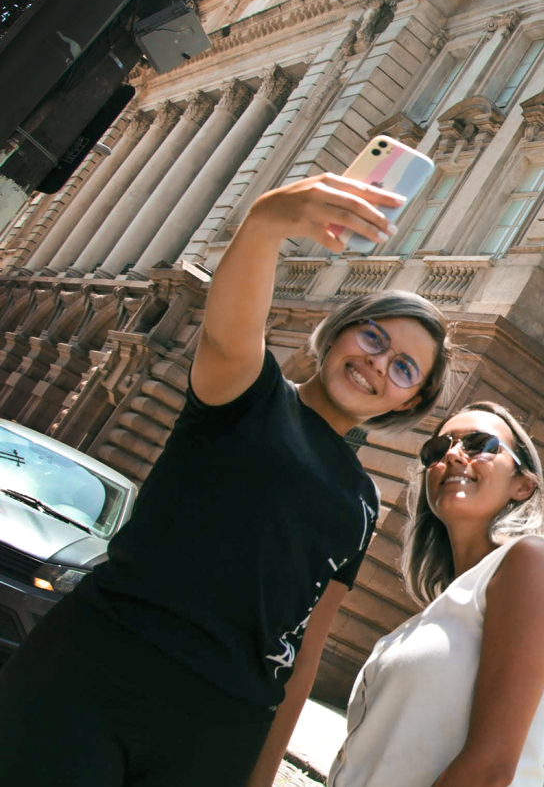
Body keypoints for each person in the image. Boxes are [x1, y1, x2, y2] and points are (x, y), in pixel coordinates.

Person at [0, 172, 455, 787]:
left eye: (402, 367)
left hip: (222, 729)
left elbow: (307, 647)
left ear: (410, 401)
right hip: (99, 668)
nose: (377, 362)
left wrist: (261, 774)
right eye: (373, 336)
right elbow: (227, 327)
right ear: (340, 331)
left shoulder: (365, 501)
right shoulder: (250, 391)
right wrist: (267, 222)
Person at [328, 401, 544, 787]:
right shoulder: (446, 606)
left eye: (479, 443)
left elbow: (490, 767)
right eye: (436, 449)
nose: (452, 454)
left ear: (522, 485)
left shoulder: (532, 561)